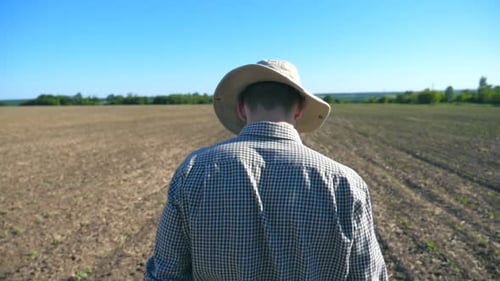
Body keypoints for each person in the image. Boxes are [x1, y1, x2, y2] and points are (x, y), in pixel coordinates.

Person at [145, 59, 387, 280]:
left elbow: (167, 273)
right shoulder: (344, 182)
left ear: (241, 109)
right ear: (300, 109)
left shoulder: (194, 170)